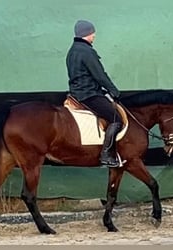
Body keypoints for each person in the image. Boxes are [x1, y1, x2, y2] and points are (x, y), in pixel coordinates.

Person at [66, 19, 123, 167]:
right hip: (88, 94)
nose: (94, 35)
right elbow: (99, 75)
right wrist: (114, 91)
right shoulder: (87, 51)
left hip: (77, 93)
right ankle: (106, 155)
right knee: (116, 119)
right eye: (92, 33)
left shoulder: (72, 50)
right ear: (86, 33)